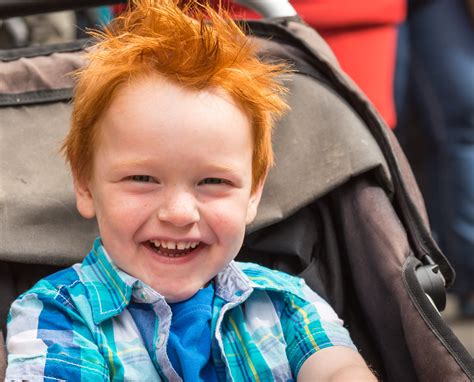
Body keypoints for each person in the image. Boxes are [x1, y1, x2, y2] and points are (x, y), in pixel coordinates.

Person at [5, 1, 376, 380]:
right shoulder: (58, 314)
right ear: (85, 185)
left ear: (252, 195)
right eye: (143, 179)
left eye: (213, 182)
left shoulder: (285, 303)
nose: (180, 212)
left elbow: (338, 370)